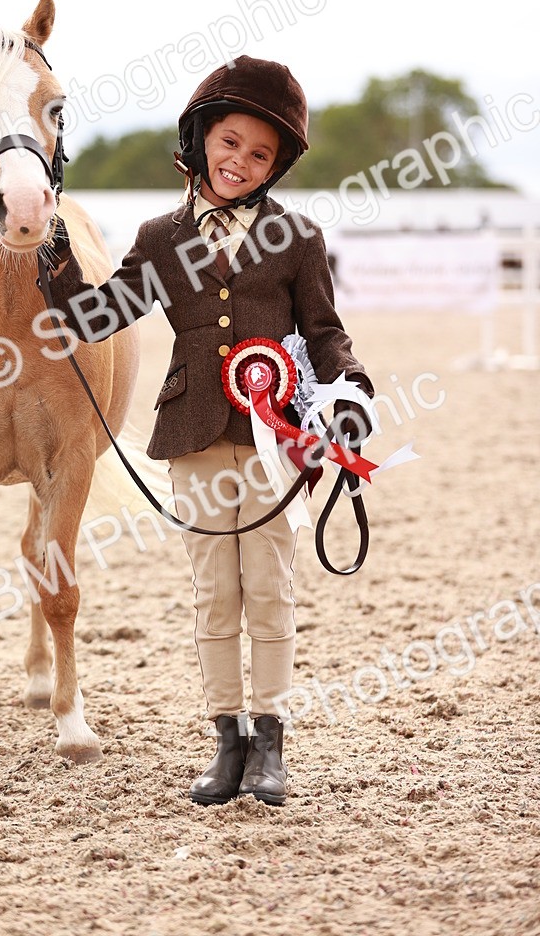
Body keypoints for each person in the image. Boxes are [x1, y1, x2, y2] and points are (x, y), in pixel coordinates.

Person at [41, 56, 373, 807]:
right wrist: (56, 261)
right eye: (230, 143)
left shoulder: (297, 238)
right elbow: (101, 316)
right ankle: (227, 740)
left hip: (271, 439)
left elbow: (325, 334)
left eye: (260, 154)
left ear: (276, 165)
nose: (241, 163)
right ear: (200, 139)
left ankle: (272, 742)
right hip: (189, 434)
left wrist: (351, 388)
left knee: (271, 587)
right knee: (213, 593)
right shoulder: (162, 237)